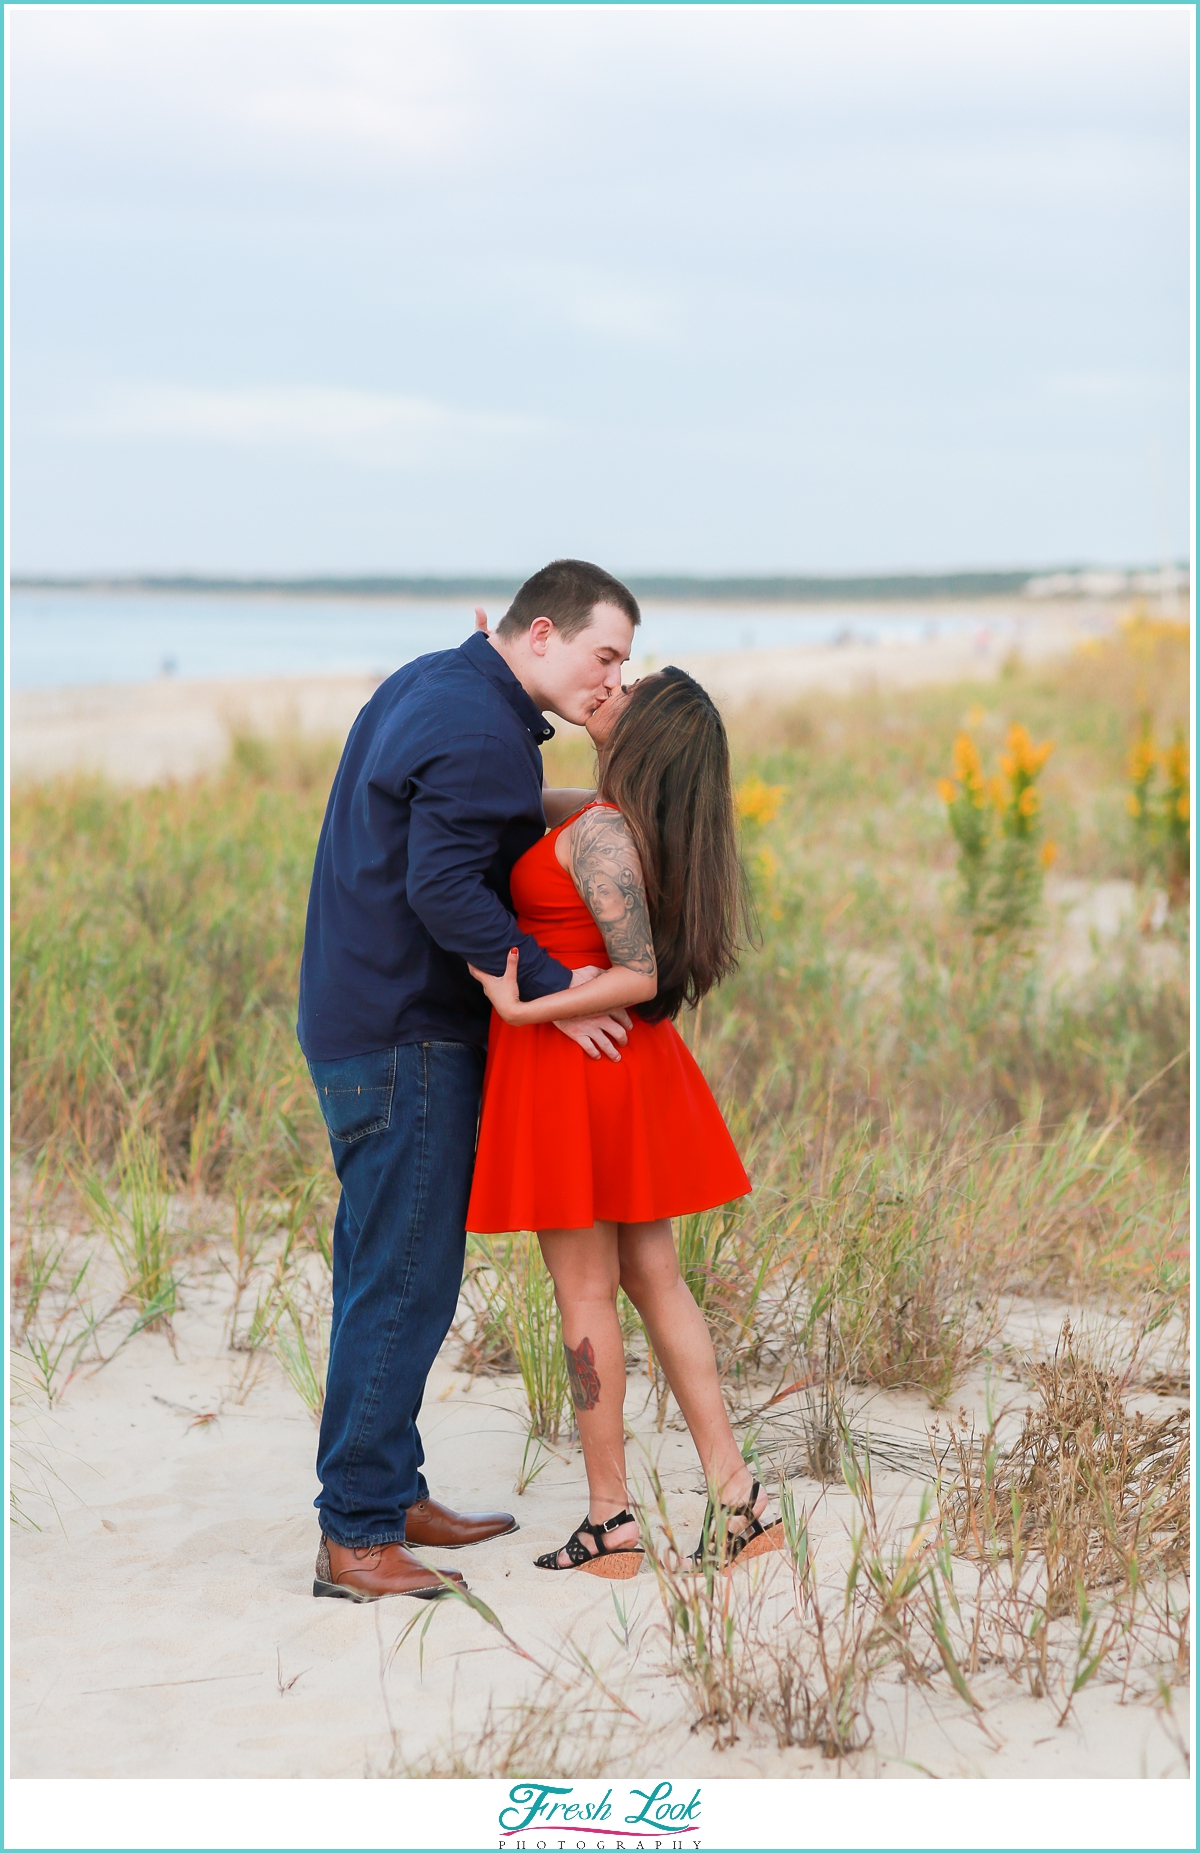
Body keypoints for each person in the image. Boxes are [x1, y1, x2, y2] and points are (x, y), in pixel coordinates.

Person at [297, 559, 641, 1602]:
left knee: (384, 1265)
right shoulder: (482, 727)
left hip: (359, 1015)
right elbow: (446, 882)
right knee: (404, 1277)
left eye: (625, 662)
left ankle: (391, 1492)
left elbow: (474, 814)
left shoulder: (437, 684)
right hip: (408, 1034)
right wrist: (553, 987)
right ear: (543, 632)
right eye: (605, 654)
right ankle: (355, 1532)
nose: (613, 678)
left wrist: (585, 797)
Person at [466, 668, 782, 1579]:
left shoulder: (605, 834)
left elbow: (639, 973)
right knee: (656, 1279)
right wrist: (488, 669)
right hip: (619, 1070)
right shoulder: (607, 816)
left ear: (648, 735)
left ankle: (611, 1520)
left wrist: (529, 1008)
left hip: (579, 1066)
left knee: (587, 1293)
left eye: (630, 685)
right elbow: (516, 801)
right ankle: (739, 1499)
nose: (615, 682)